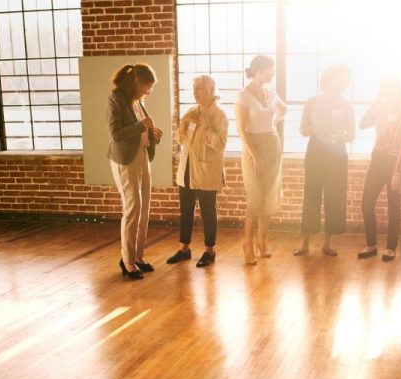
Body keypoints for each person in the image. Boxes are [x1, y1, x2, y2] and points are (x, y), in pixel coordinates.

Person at [106, 63, 162, 280]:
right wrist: (142, 127)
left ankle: (138, 256)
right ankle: (127, 261)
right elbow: (116, 134)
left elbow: (143, 128)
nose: (149, 90)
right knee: (133, 209)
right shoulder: (116, 99)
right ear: (136, 81)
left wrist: (153, 134)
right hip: (125, 160)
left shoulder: (139, 101)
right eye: (147, 85)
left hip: (143, 156)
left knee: (144, 208)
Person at [294, 64, 355, 257]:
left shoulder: (347, 105)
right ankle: (305, 242)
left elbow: (352, 134)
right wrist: (315, 130)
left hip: (337, 152)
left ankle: (328, 243)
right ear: (329, 80)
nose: (343, 84)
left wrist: (340, 136)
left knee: (334, 197)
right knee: (311, 194)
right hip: (316, 151)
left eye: (345, 81)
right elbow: (303, 129)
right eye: (340, 79)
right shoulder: (312, 102)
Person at [167, 75, 228, 268]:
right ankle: (184, 249)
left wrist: (208, 125)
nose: (195, 93)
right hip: (187, 168)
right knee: (186, 210)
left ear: (210, 91)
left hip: (206, 170)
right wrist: (184, 124)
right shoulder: (191, 112)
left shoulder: (219, 115)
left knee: (208, 211)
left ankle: (210, 251)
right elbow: (181, 140)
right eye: (194, 89)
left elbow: (220, 144)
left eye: (199, 89)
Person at [235, 55, 287, 265]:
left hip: (272, 145)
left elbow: (284, 109)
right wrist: (254, 155)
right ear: (260, 70)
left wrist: (277, 117)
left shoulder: (272, 94)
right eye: (271, 70)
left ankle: (262, 241)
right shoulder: (243, 96)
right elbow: (241, 130)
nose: (273, 73)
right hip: (253, 147)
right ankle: (248, 244)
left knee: (269, 196)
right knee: (256, 198)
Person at [358, 77, 401, 262]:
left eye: (386, 91)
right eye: (382, 91)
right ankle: (371, 244)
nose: (384, 94)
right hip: (377, 159)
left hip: (395, 161)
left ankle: (390, 247)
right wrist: (376, 104)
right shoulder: (380, 110)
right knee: (366, 205)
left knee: (394, 205)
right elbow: (362, 124)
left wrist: (399, 171)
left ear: (396, 91)